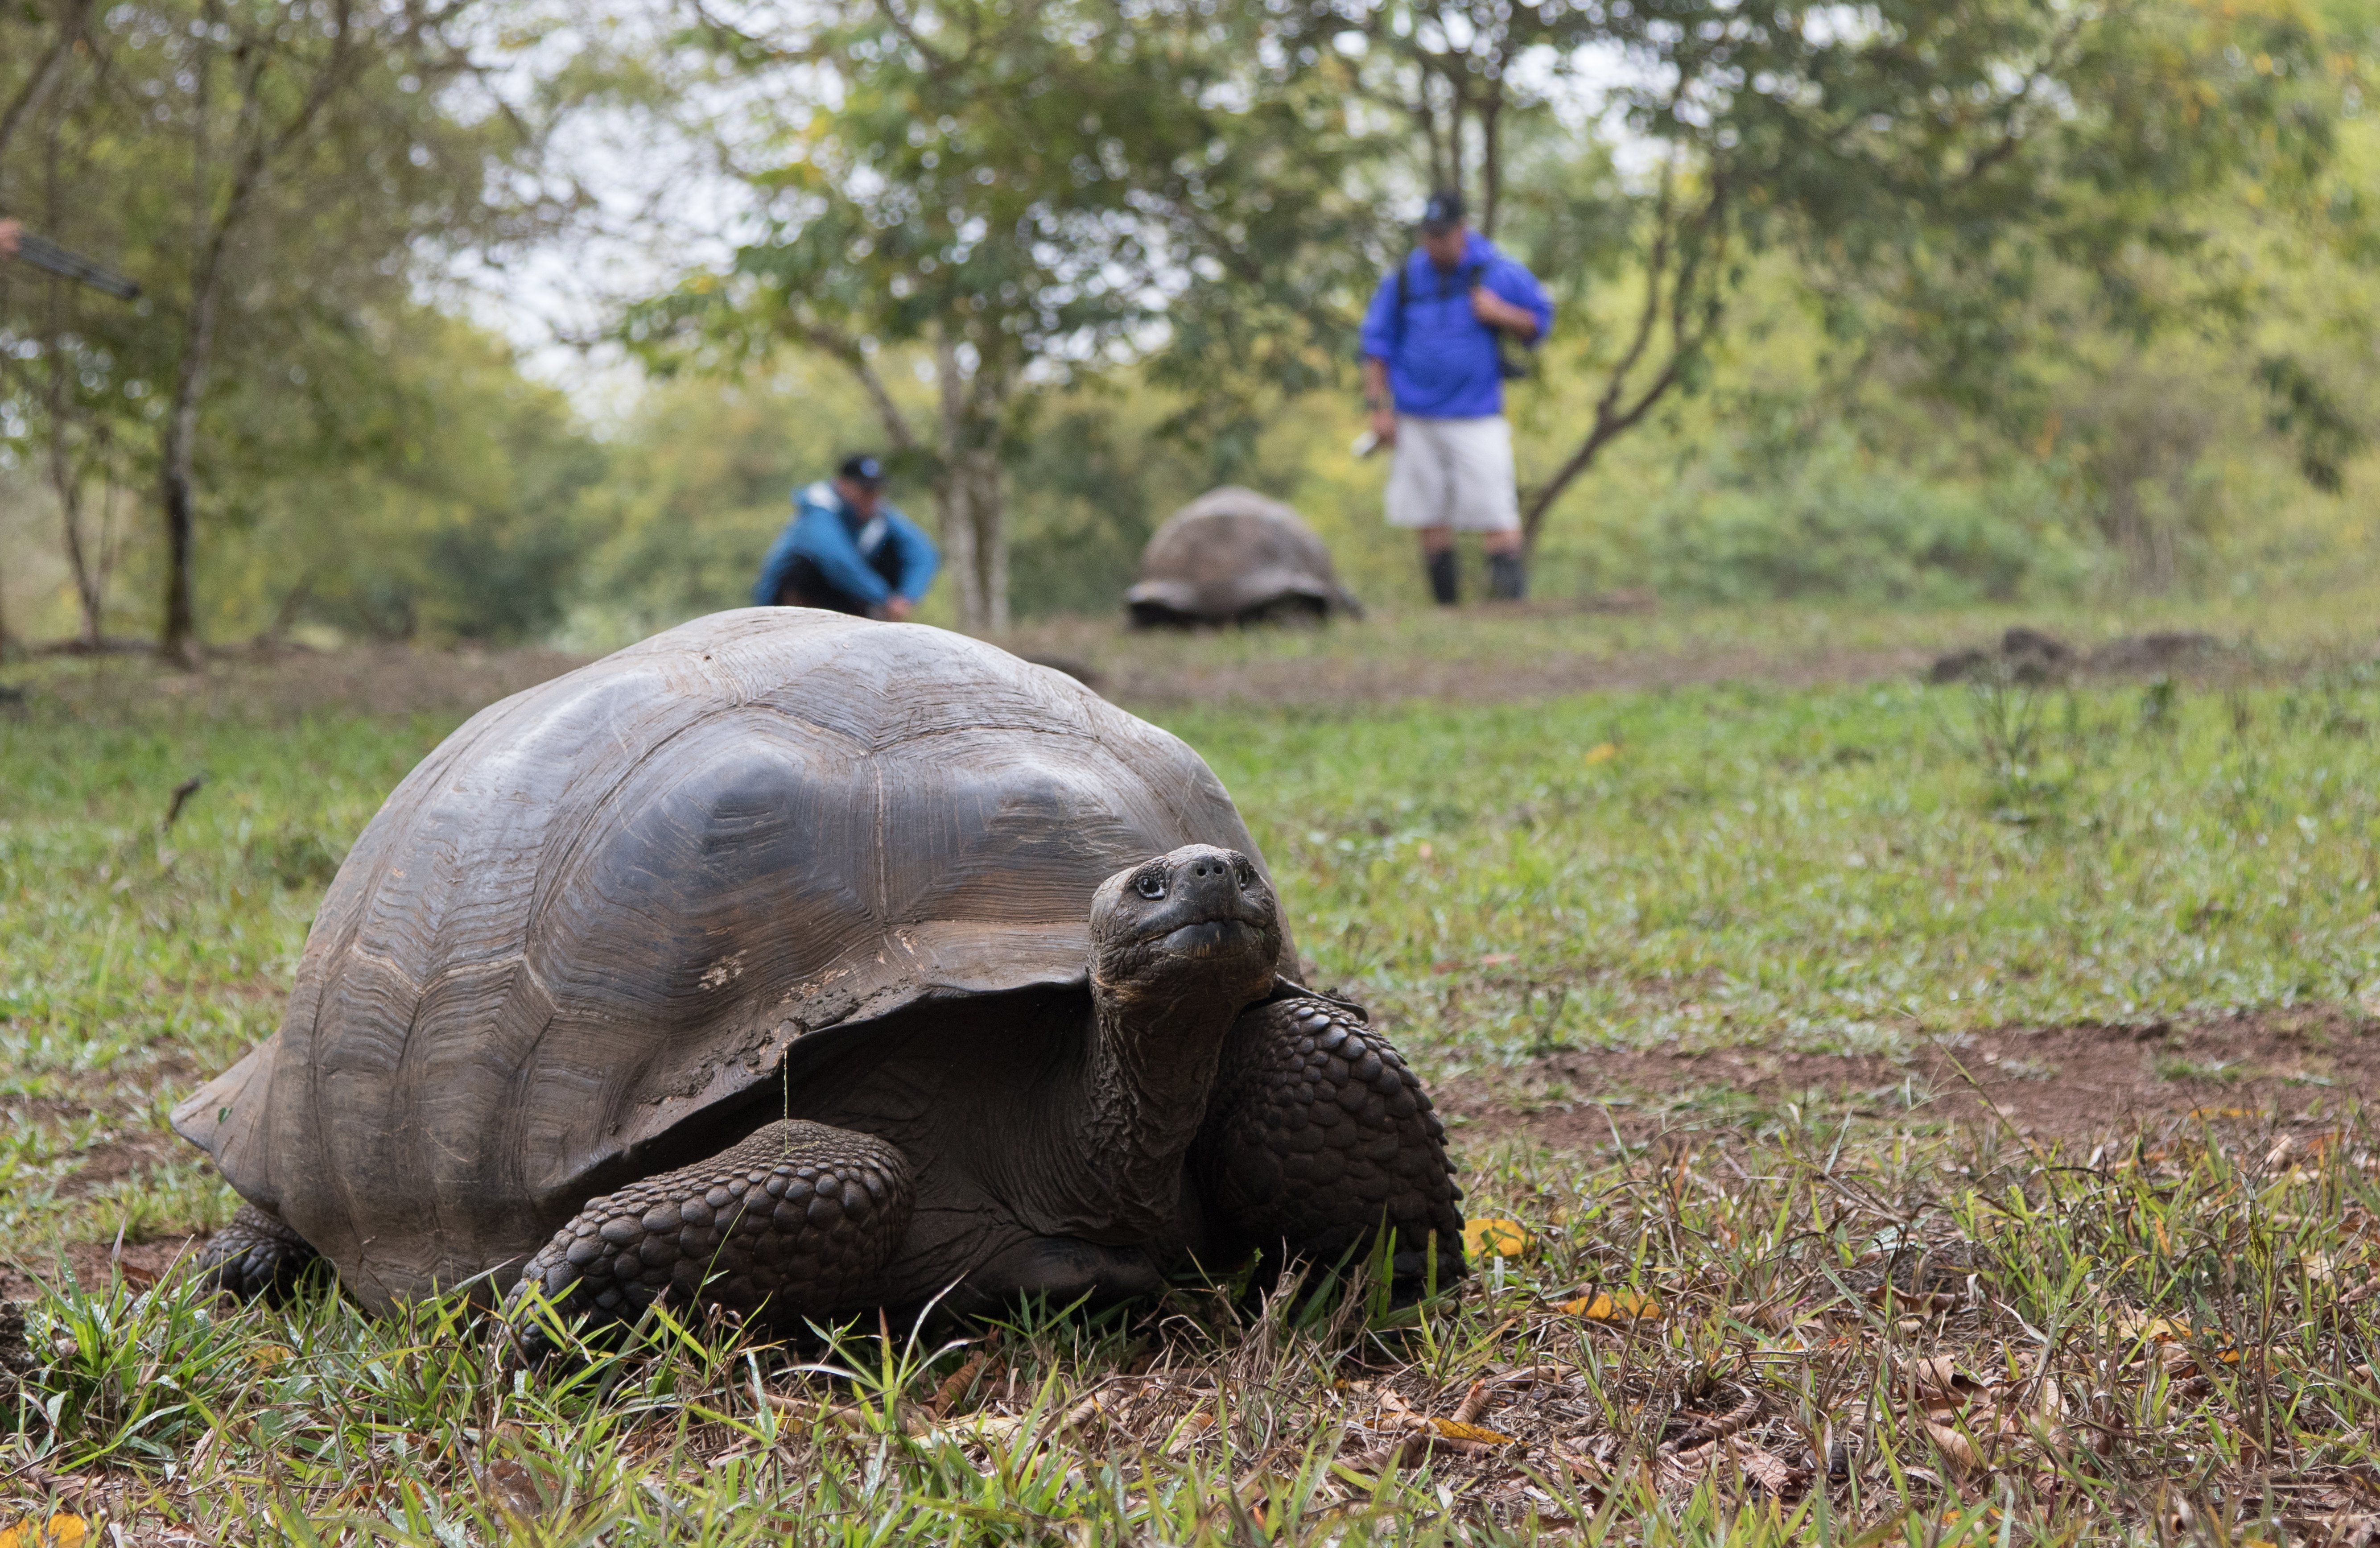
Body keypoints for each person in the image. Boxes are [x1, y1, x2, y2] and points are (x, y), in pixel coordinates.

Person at [1358, 190, 1554, 604]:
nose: (1435, 243)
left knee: (1495, 509)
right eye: (1428, 235)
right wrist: (1377, 410)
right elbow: (1376, 346)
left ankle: (1510, 608)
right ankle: (1447, 610)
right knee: (1427, 513)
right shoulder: (1403, 278)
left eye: (1443, 235)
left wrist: (1501, 313)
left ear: (1462, 230)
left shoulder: (1497, 270)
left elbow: (1540, 322)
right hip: (1415, 415)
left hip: (1476, 413)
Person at [753, 454, 939, 621]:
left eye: (876, 491)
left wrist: (906, 597)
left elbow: (923, 553)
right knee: (808, 564)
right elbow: (837, 561)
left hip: (843, 600)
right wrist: (884, 599)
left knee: (893, 551)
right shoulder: (818, 508)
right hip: (783, 603)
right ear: (842, 485)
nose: (872, 497)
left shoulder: (878, 512)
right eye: (865, 491)